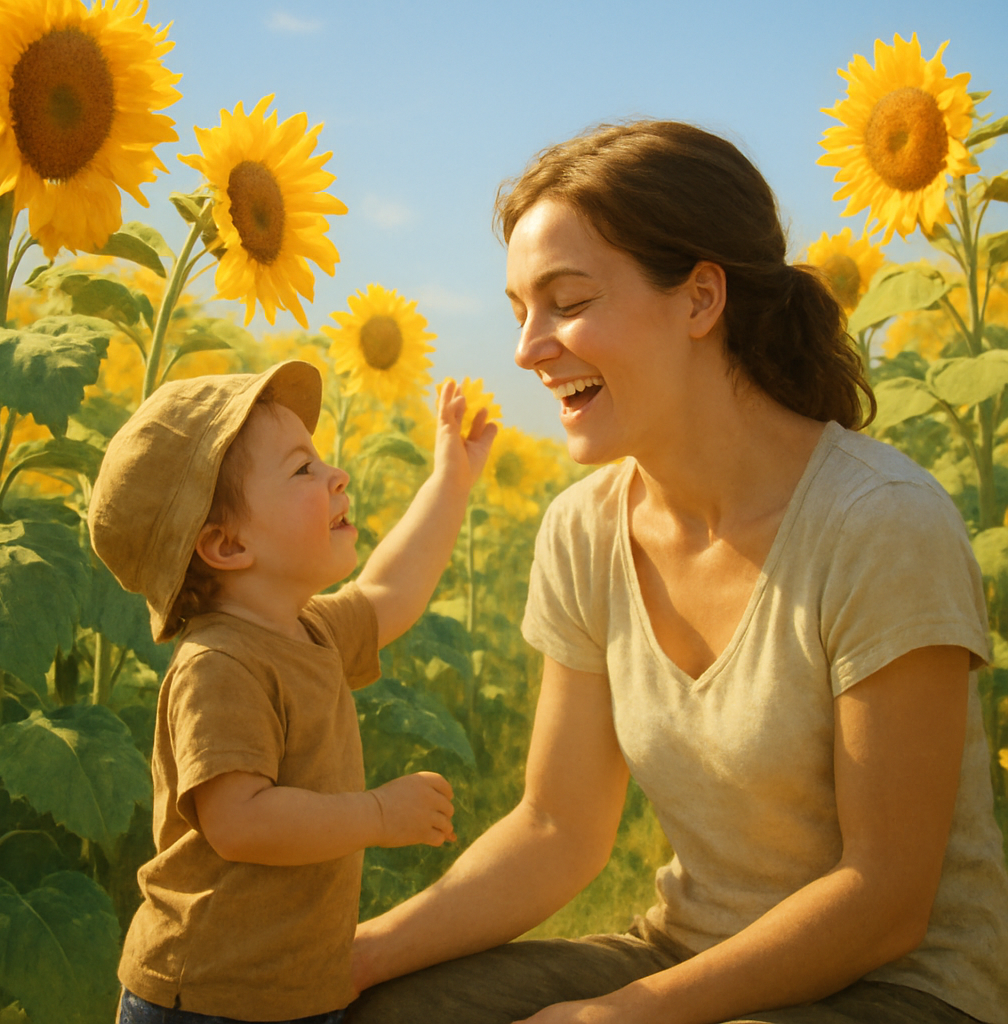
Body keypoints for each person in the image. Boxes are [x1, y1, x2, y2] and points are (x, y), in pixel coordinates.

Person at [345, 121, 1008, 1024]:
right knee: (380, 1010)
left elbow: (885, 900)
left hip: (903, 992)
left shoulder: (880, 523)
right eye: (519, 312)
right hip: (684, 953)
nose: (528, 349)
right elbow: (557, 827)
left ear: (701, 299)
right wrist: (359, 955)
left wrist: (623, 1015)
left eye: (567, 302)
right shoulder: (583, 530)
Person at [87, 361, 496, 1024]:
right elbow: (241, 821)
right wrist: (379, 815)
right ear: (227, 545)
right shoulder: (218, 665)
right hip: (209, 997)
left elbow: (391, 589)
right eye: (303, 469)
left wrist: (451, 480)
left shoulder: (310, 631)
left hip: (288, 990)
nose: (338, 475)